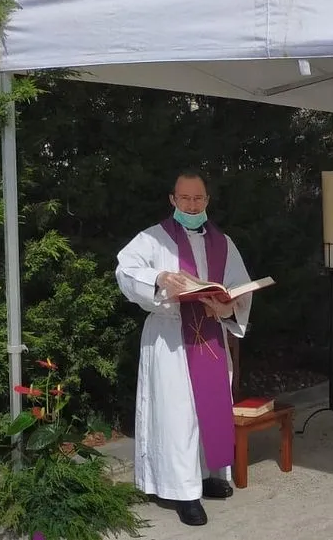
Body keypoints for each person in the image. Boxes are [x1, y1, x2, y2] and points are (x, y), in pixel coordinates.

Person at [115, 169, 253, 526]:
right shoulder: (153, 238)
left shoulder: (223, 242)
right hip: (171, 338)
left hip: (209, 333)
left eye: (198, 198)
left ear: (207, 201)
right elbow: (126, 271)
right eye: (185, 198)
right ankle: (182, 491)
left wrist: (227, 306)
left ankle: (208, 475)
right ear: (172, 200)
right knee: (178, 414)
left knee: (209, 408)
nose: (192, 205)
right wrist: (159, 279)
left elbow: (240, 287)